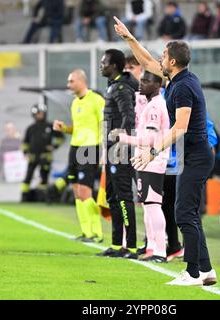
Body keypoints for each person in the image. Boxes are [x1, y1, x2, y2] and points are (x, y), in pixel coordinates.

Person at [114, 17, 217, 286]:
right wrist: (128, 38)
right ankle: (205, 270)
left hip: (197, 155)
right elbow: (146, 61)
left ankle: (193, 272)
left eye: (164, 55)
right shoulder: (175, 79)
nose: (159, 59)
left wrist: (151, 151)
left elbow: (180, 128)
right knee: (188, 213)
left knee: (183, 213)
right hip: (190, 156)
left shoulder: (183, 87)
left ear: (172, 62)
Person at [110, 71, 169, 263]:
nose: (141, 84)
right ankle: (153, 247)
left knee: (153, 205)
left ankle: (160, 251)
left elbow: (151, 139)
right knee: (148, 205)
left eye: (146, 81)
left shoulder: (154, 106)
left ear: (157, 85)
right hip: (146, 160)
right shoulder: (153, 104)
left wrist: (124, 138)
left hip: (152, 160)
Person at [96, 49, 139, 259]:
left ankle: (130, 246)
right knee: (113, 197)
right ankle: (116, 244)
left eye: (104, 62)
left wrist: (120, 142)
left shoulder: (121, 88)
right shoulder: (114, 86)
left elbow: (129, 118)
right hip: (112, 150)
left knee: (123, 198)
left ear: (114, 66)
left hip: (120, 151)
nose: (101, 65)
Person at [53, 69, 104, 243]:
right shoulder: (75, 103)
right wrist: (65, 128)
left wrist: (104, 150)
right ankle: (85, 231)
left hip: (90, 148)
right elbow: (78, 127)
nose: (69, 85)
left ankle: (96, 232)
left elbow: (103, 125)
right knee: (76, 190)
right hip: (75, 147)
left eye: (71, 81)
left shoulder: (97, 100)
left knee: (85, 190)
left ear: (81, 81)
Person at [21, 104, 65, 202]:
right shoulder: (31, 128)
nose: (40, 115)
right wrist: (25, 153)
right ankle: (24, 196)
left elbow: (61, 138)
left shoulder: (50, 126)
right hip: (33, 157)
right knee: (28, 176)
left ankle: (42, 197)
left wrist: (54, 146)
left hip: (46, 156)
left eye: (42, 113)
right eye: (38, 113)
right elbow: (25, 142)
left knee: (44, 177)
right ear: (34, 114)